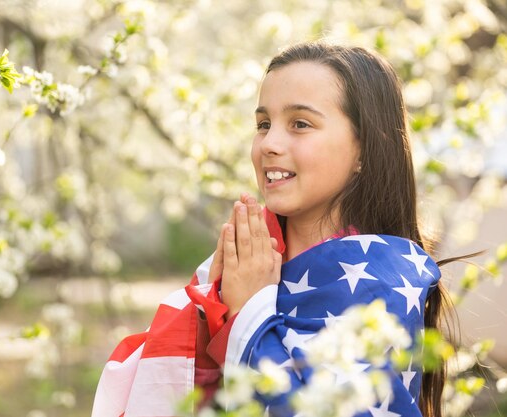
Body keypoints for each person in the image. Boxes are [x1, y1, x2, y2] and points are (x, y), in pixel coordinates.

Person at [91, 42, 450, 417]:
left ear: (364, 147)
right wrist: (210, 317)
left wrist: (248, 311)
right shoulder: (246, 261)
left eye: (300, 124)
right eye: (263, 125)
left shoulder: (384, 284)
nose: (269, 144)